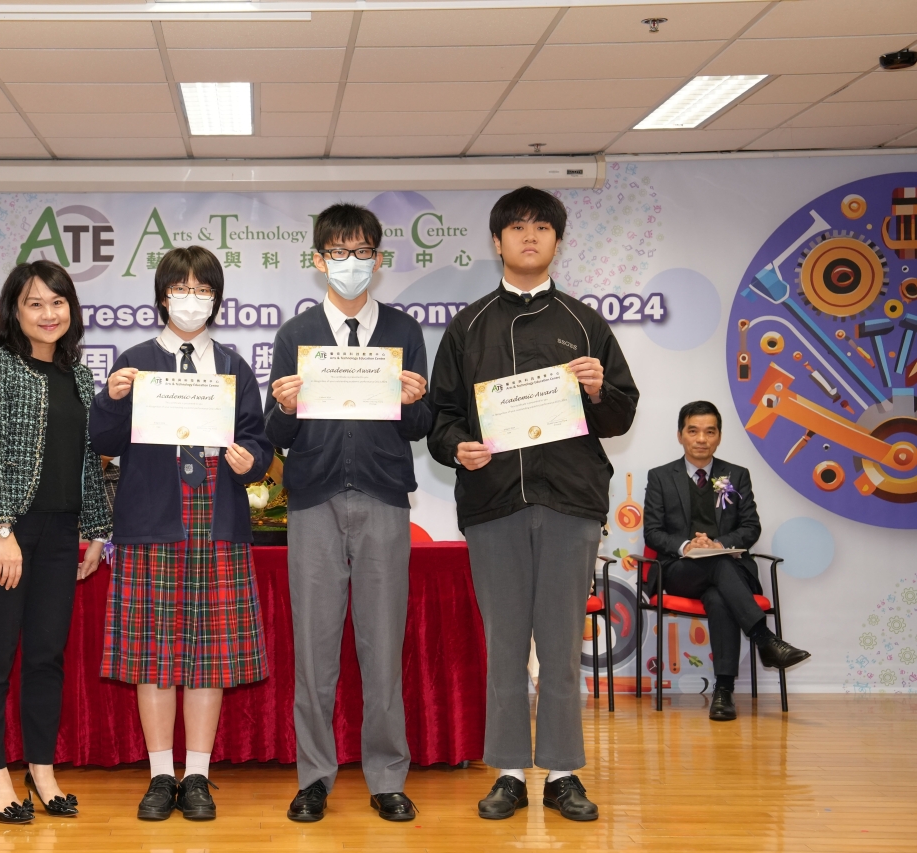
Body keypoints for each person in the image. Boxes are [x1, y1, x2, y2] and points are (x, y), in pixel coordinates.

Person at [427, 186, 639, 822]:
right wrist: (458, 447)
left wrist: (599, 391)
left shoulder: (585, 323)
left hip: (571, 502)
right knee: (505, 647)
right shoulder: (467, 326)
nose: (528, 236)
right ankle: (510, 773)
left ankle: (564, 774)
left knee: (560, 646)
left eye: (541, 228)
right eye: (516, 227)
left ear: (557, 242)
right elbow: (440, 418)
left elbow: (621, 414)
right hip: (493, 503)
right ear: (497, 242)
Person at [90, 246, 273, 822]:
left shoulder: (234, 366)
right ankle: (159, 775)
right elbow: (103, 442)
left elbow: (259, 440)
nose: (192, 300)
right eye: (181, 289)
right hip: (153, 516)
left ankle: (196, 774)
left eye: (202, 290)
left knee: (210, 654)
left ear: (216, 300)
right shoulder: (136, 362)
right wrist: (112, 398)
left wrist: (251, 459)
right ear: (162, 297)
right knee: (153, 655)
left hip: (217, 516)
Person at [264, 203, 431, 823]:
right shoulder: (295, 334)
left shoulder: (404, 330)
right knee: (314, 650)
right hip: (313, 499)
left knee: (382, 646)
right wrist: (284, 406)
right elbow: (276, 433)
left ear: (378, 260)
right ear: (319, 260)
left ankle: (387, 777)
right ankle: (314, 777)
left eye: (362, 252)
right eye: (339, 252)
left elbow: (420, 424)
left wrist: (414, 399)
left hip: (383, 495)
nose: (351, 263)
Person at [0, 260, 112, 824]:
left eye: (58, 302)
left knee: (47, 657)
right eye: (35, 303)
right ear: (15, 311)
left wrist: (95, 530)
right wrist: (3, 531)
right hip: (6, 532)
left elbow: (87, 463)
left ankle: (42, 770)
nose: (48, 313)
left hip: (60, 534)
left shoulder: (79, 375)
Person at [643, 400, 811, 722]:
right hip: (680, 571)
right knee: (717, 566)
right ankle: (764, 639)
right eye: (693, 431)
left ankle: (723, 691)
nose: (701, 439)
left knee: (719, 593)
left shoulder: (736, 475)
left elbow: (750, 528)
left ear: (719, 436)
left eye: (710, 432)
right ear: (680, 435)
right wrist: (688, 546)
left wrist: (717, 545)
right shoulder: (661, 477)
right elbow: (653, 532)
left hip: (728, 570)